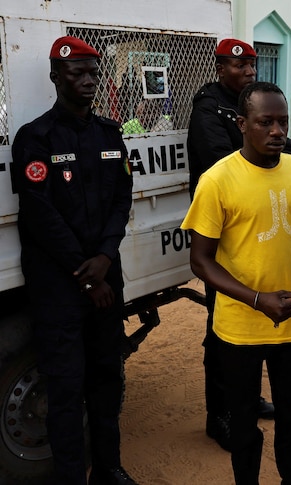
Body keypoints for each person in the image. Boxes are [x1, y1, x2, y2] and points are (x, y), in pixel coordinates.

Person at [182, 81, 291, 485]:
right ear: (242, 123)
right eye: (265, 122)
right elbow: (201, 262)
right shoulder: (217, 180)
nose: (277, 131)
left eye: (283, 122)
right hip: (238, 329)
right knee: (243, 424)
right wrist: (257, 300)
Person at [11, 36, 137, 485]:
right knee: (64, 387)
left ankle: (108, 467)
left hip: (105, 280)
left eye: (92, 74)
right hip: (60, 286)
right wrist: (86, 273)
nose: (87, 82)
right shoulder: (35, 139)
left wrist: (104, 257)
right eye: (76, 73)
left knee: (106, 380)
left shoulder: (109, 135)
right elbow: (40, 215)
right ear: (55, 77)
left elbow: (122, 199)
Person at [186, 38, 275, 451]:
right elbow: (221, 162)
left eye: (252, 66)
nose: (249, 73)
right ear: (220, 67)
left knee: (254, 319)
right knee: (222, 327)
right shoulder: (208, 108)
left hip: (251, 229)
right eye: (239, 67)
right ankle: (218, 415)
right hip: (221, 235)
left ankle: (247, 397)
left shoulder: (247, 104)